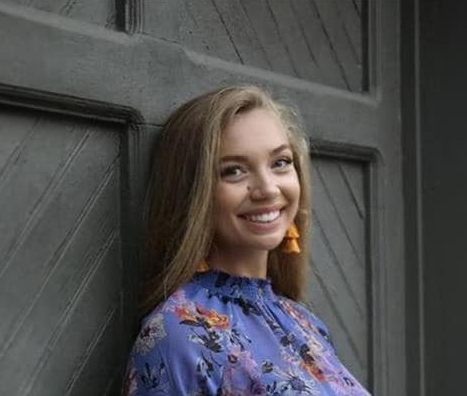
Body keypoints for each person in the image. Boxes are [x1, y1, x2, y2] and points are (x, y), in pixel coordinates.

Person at [124, 86, 370, 395]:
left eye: (280, 162)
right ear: (193, 193)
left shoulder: (307, 324)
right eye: (234, 171)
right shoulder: (178, 333)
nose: (267, 188)